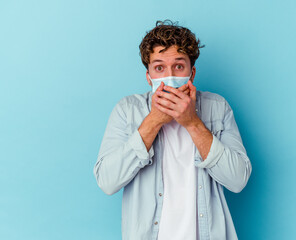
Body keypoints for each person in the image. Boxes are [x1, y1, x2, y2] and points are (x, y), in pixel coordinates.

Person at [93, 19, 252, 240]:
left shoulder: (217, 108)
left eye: (178, 66)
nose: (169, 76)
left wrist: (193, 123)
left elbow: (238, 180)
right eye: (159, 68)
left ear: (192, 73)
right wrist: (154, 121)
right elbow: (107, 182)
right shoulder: (127, 110)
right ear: (149, 76)